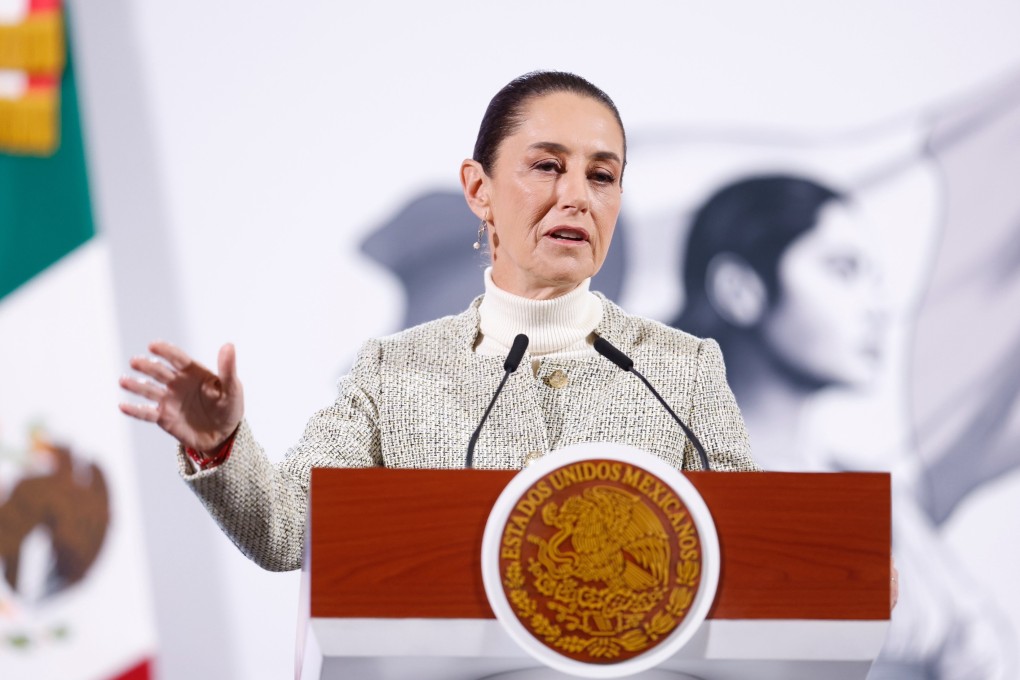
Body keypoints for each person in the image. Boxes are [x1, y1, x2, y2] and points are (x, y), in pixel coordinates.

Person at [118, 71, 759, 573]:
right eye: (546, 166)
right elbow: (286, 532)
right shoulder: (393, 372)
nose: (577, 197)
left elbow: (755, 551)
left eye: (602, 175)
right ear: (478, 189)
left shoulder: (683, 368)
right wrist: (220, 443)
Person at [674, 173, 1003, 679]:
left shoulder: (879, 496)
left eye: (873, 277)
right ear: (739, 289)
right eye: (842, 270)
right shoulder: (658, 481)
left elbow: (980, 650)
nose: (877, 307)